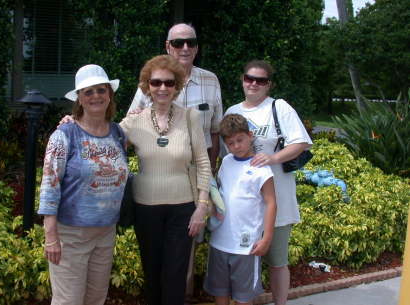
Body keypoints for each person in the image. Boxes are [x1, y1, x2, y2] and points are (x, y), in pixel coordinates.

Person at [120, 54, 211, 305]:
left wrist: (202, 206)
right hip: (145, 208)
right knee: (152, 275)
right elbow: (100, 138)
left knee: (175, 276)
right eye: (156, 82)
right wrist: (73, 120)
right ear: (146, 86)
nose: (162, 88)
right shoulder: (133, 121)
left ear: (177, 86)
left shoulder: (190, 117)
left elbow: (203, 163)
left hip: (183, 209)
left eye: (169, 83)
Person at [38, 64, 128, 305]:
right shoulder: (64, 135)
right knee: (68, 300)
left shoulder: (118, 133)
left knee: (96, 299)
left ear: (109, 94)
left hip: (105, 233)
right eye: (88, 92)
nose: (95, 96)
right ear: (79, 98)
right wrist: (50, 236)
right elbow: (50, 185)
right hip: (71, 235)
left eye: (101, 90)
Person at [224, 60, 312, 305]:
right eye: (249, 78)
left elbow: (301, 142)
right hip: (243, 206)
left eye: (260, 80)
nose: (253, 84)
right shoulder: (232, 111)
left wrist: (273, 158)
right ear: (242, 79)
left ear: (268, 84)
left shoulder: (279, 107)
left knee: (277, 262)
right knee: (242, 261)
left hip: (277, 200)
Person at [128, 23, 223, 173]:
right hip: (159, 172)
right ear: (168, 46)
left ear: (196, 48)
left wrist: (211, 169)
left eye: (191, 43)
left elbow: (215, 131)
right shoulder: (151, 81)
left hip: (200, 171)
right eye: (178, 43)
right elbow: (130, 128)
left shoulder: (211, 80)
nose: (185, 48)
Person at [204, 113, 277, 305]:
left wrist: (266, 238)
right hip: (219, 241)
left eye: (240, 140)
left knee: (243, 298)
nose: (236, 146)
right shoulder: (226, 162)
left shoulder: (262, 168)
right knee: (220, 291)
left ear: (250, 135)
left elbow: (271, 202)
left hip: (246, 246)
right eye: (230, 143)